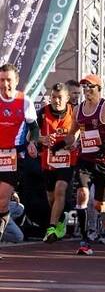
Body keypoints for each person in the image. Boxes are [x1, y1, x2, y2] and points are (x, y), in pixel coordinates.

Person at [63, 74, 105, 255]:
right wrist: (68, 141)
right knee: (82, 195)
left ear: (99, 88)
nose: (87, 91)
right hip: (85, 159)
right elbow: (72, 133)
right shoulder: (78, 110)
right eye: (84, 88)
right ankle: (84, 241)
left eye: (90, 87)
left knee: (99, 205)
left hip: (103, 162)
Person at [0, 64, 39, 248]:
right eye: (2, 80)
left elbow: (34, 127)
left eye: (9, 80)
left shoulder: (25, 101)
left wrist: (33, 142)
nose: (5, 84)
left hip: (13, 157)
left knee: (2, 200)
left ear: (16, 81)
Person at [37, 83, 77, 243]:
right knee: (51, 197)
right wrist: (42, 139)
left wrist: (75, 141)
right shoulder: (43, 113)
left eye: (60, 97)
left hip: (67, 159)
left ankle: (51, 227)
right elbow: (29, 136)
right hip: (48, 160)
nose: (56, 100)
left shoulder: (74, 112)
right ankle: (60, 221)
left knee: (60, 190)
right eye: (54, 97)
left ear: (67, 98)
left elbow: (81, 130)